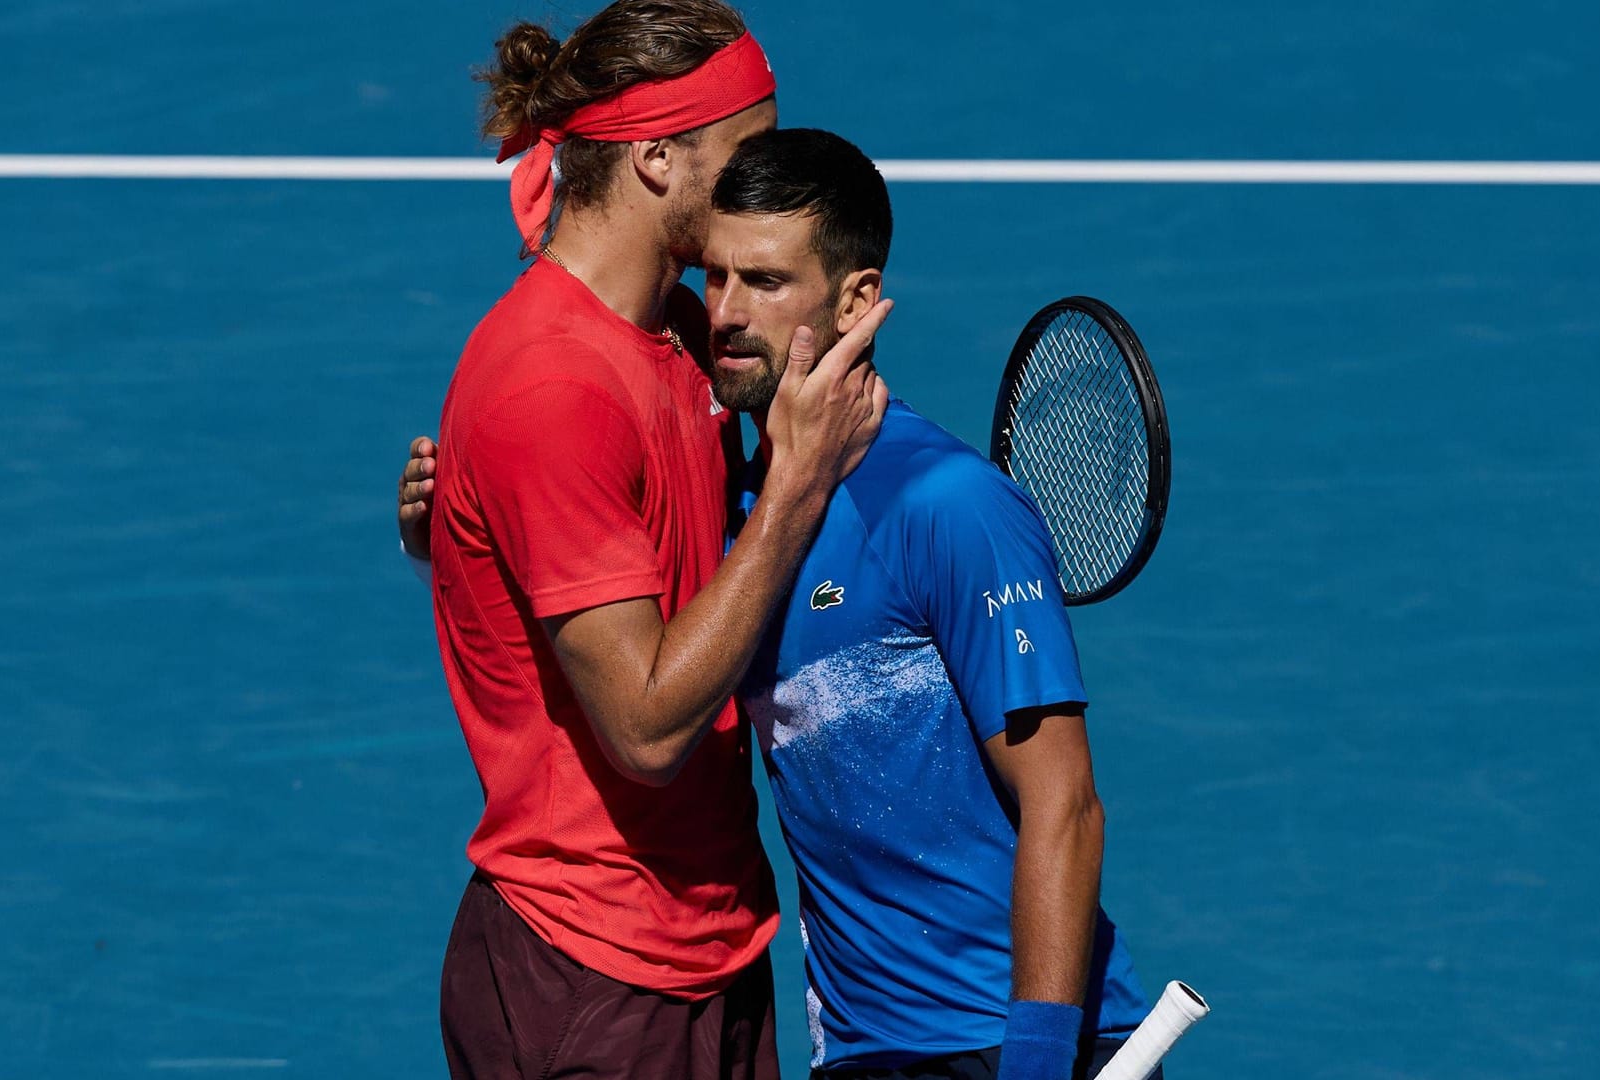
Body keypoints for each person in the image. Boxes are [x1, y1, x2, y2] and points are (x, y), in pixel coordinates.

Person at [402, 129, 1157, 1080]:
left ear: (853, 300)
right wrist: (454, 528)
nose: (723, 313)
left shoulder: (948, 508)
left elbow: (1066, 805)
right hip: (860, 1047)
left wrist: (1040, 1063)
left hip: (1006, 1038)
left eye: (765, 283)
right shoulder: (743, 511)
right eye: (715, 277)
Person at [420, 3, 890, 1077]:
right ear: (657, 158)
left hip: (708, 942)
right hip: (593, 976)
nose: (764, 176)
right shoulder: (555, 388)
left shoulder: (680, 332)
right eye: (745, 150)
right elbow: (641, 728)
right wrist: (796, 488)